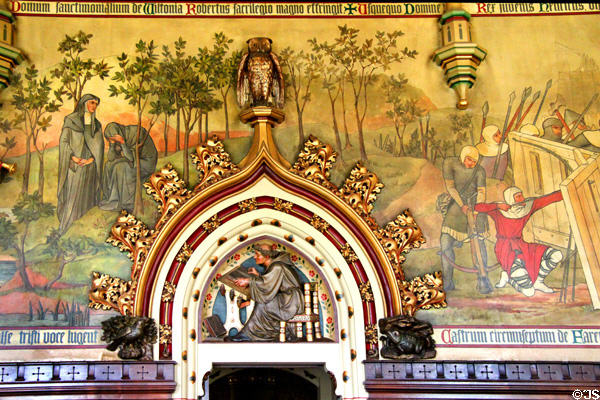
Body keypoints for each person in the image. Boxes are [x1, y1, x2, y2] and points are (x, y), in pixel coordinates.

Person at [474, 187, 563, 297]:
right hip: (506, 250)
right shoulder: (499, 211)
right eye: (518, 196)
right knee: (529, 292)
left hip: (523, 247)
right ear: (511, 199)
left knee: (556, 255)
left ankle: (538, 282)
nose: (522, 198)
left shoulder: (527, 207)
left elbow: (550, 198)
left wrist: (566, 191)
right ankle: (508, 278)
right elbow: (478, 207)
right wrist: (497, 205)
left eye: (522, 195)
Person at [440, 145, 492, 294]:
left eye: (474, 161)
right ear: (463, 157)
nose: (471, 163)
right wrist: (462, 205)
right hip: (457, 206)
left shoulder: (479, 171)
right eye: (469, 160)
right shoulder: (450, 164)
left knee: (479, 242)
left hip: (476, 207)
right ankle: (448, 281)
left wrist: (477, 210)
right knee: (445, 241)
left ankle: (483, 279)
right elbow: (451, 188)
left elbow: (481, 192)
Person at [226, 243, 304, 342]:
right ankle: (253, 333)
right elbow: (270, 284)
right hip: (286, 298)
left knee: (263, 303)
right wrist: (257, 275)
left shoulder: (277, 266)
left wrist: (248, 281)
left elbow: (267, 285)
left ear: (267, 256)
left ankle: (251, 334)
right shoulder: (274, 266)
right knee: (263, 301)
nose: (254, 257)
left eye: (257, 255)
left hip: (290, 301)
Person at [57, 94, 104, 233]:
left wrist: (91, 160)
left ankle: (80, 231)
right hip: (75, 165)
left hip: (90, 166)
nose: (94, 106)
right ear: (84, 103)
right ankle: (64, 228)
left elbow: (99, 148)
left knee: (87, 198)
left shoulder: (97, 125)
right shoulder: (71, 120)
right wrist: (73, 157)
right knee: (73, 196)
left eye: (96, 104)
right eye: (92, 103)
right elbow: (64, 142)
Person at [99, 122, 158, 212]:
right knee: (108, 165)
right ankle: (110, 198)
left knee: (121, 167)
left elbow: (131, 158)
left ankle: (126, 203)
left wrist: (122, 143)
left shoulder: (135, 133)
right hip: (133, 159)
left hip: (146, 162)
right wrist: (112, 144)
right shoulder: (117, 138)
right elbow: (111, 158)